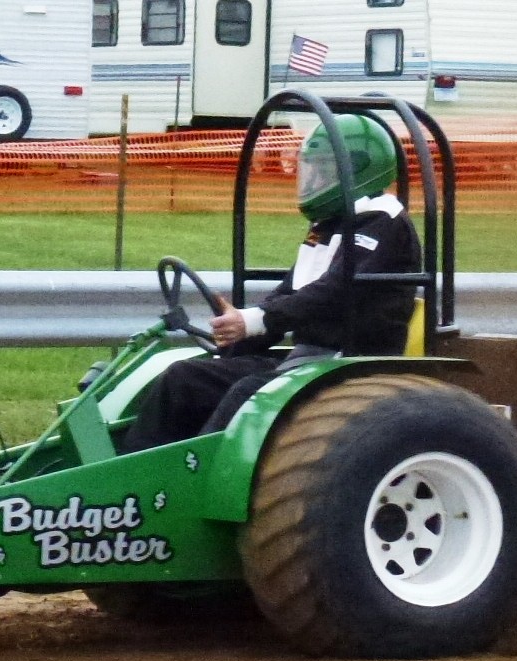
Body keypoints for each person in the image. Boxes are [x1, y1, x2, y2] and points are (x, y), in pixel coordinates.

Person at [122, 114, 422, 453]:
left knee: (246, 394)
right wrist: (243, 333)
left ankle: (193, 483)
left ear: (354, 171)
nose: (313, 179)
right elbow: (291, 293)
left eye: (324, 170)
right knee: (184, 378)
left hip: (348, 362)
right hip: (308, 359)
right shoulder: (330, 225)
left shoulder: (383, 223)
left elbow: (333, 294)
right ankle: (133, 476)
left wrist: (255, 320)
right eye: (313, 169)